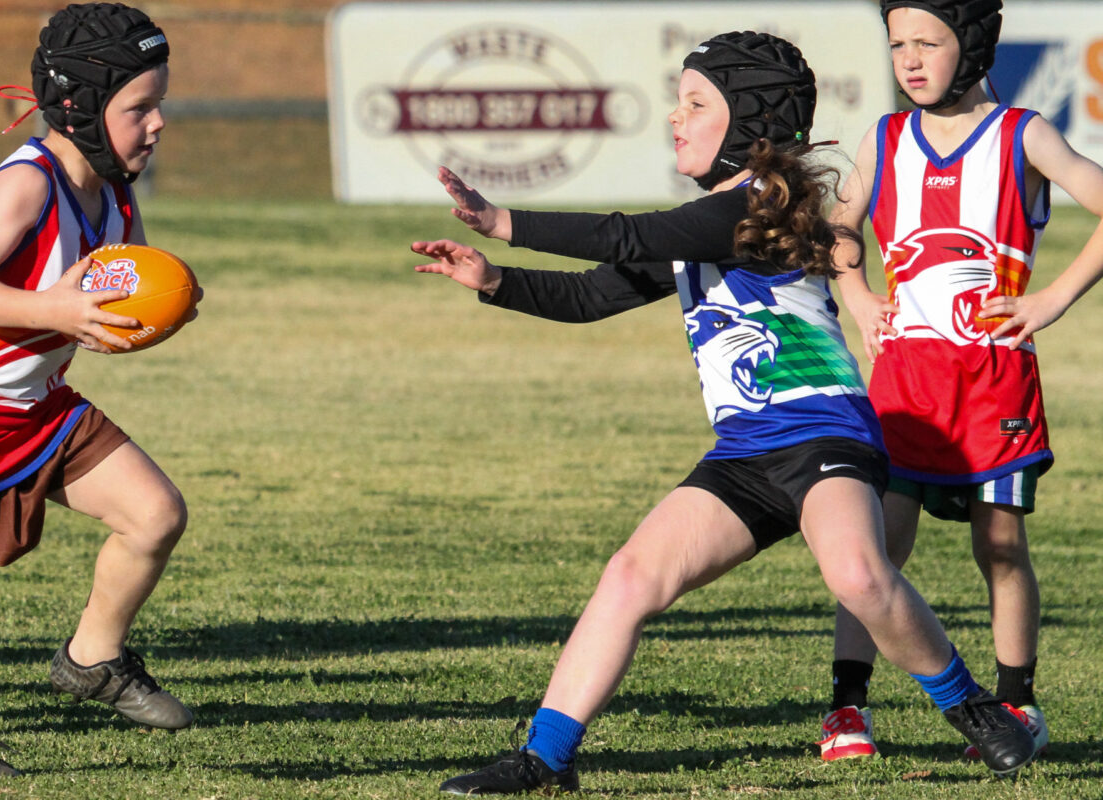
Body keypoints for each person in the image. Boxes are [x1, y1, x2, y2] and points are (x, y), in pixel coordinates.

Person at [413, 31, 1037, 795]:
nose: (675, 118)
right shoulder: (707, 221)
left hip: (824, 433)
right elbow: (590, 296)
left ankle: (975, 708)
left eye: (695, 104)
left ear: (749, 121)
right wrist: (493, 281)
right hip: (745, 451)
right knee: (631, 576)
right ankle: (545, 759)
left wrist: (505, 220)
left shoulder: (765, 204)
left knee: (859, 576)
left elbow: (629, 234)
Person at [0, 2, 196, 777]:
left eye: (159, 105)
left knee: (155, 515)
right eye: (140, 108)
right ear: (81, 106)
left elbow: (126, 282)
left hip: (39, 408)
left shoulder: (115, 188)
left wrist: (158, 309)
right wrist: (56, 310)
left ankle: (92, 658)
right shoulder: (26, 185)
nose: (157, 124)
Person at [816, 0, 1103, 763]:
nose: (910, 60)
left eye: (928, 42)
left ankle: (1018, 705)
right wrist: (859, 295)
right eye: (897, 45)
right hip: (905, 382)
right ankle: (847, 708)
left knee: (1001, 544)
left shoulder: (1022, 134)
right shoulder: (884, 138)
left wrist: (1052, 299)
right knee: (877, 546)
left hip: (994, 382)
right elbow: (840, 227)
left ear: (971, 43)